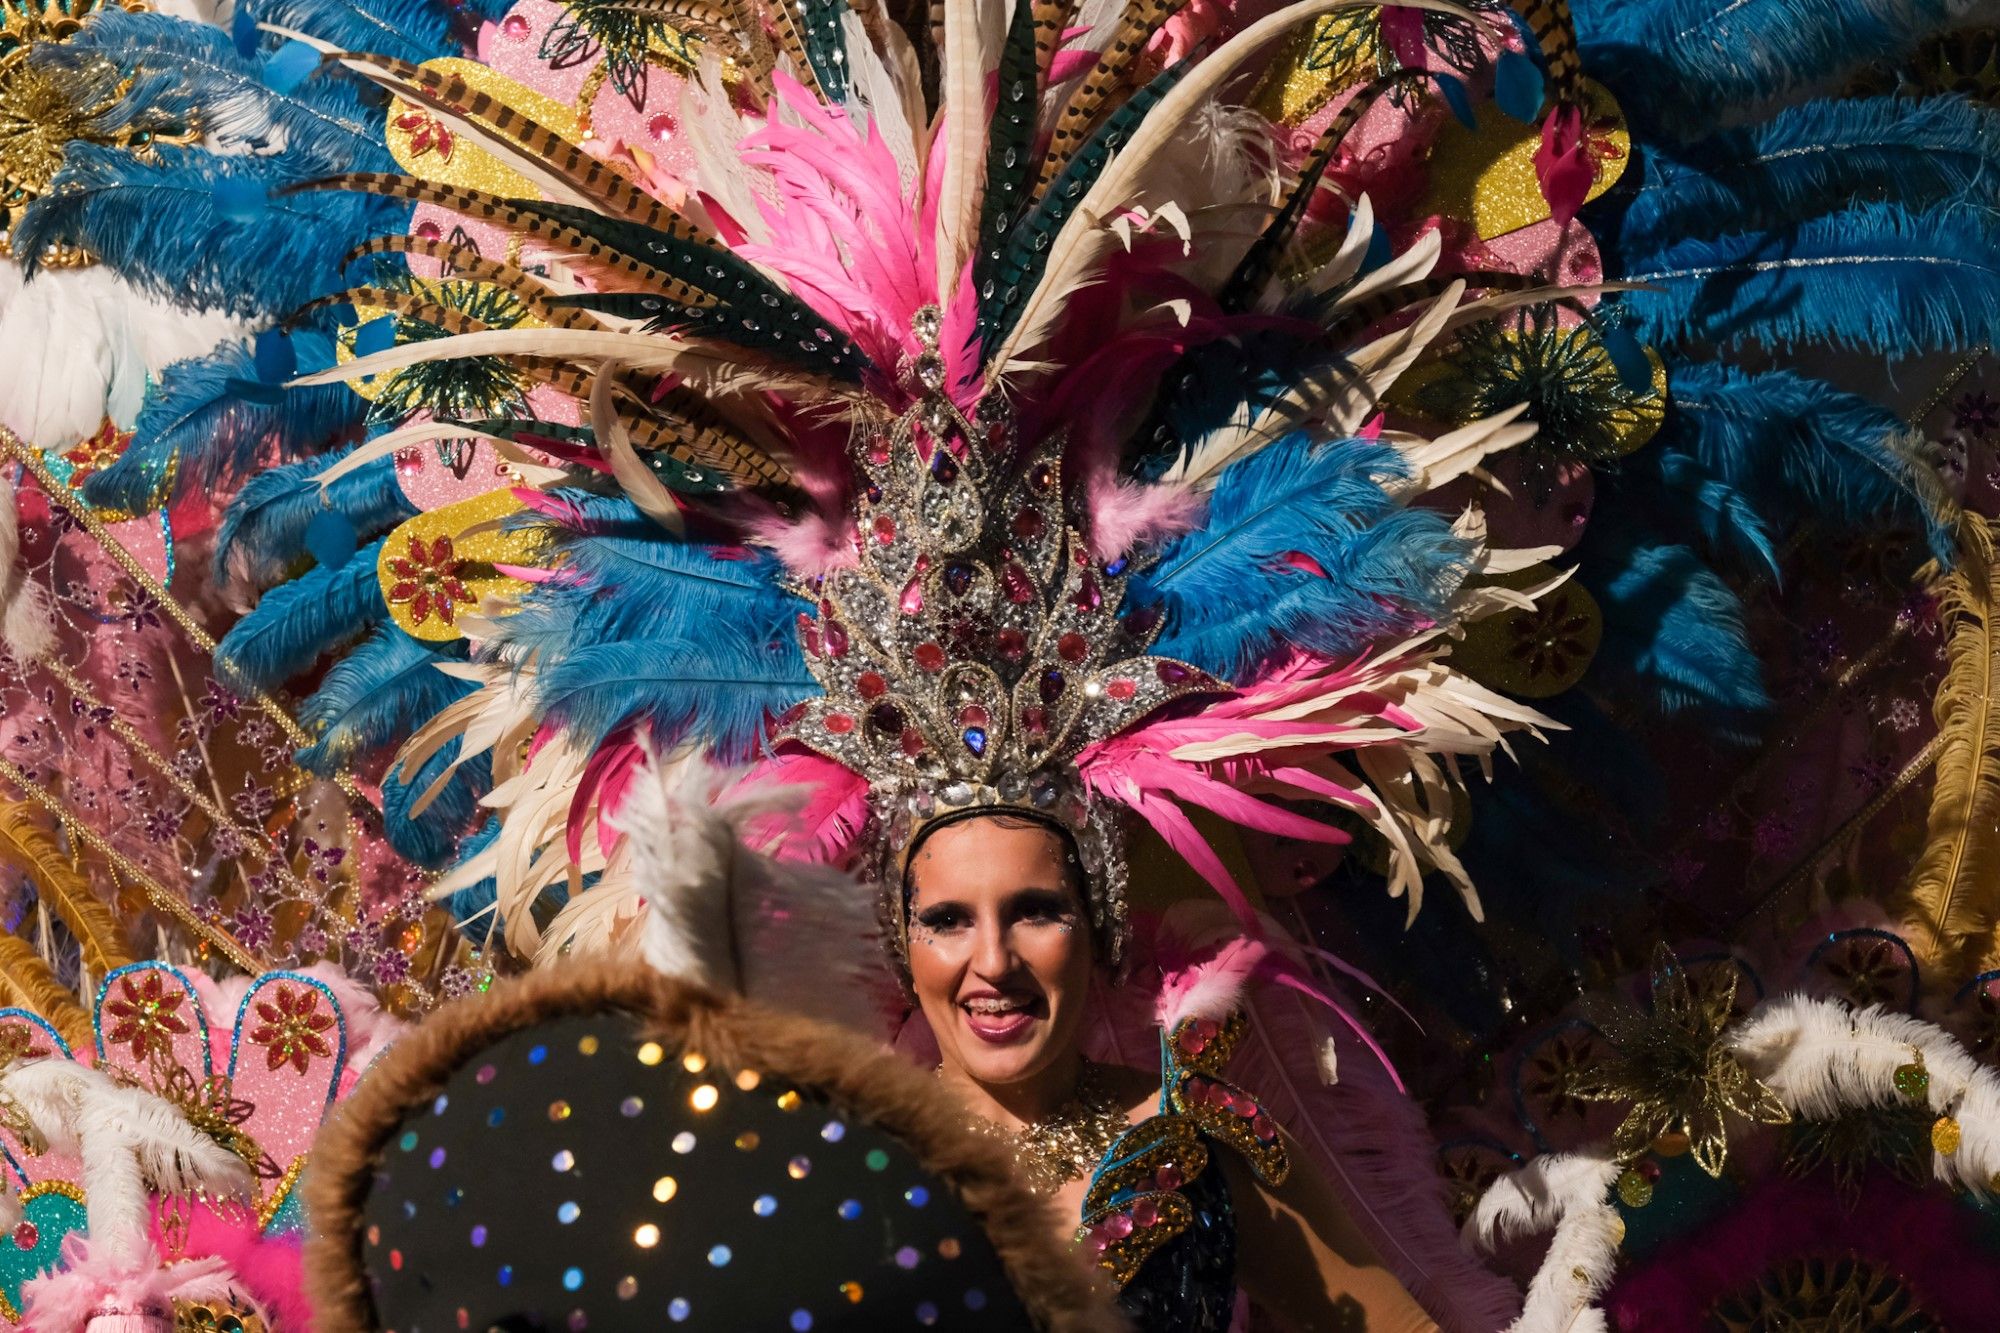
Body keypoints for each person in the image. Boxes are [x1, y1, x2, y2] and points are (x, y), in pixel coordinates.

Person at [903, 812, 1439, 1332]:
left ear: (1099, 930)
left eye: (1036, 911)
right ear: (902, 947)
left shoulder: (1195, 1135)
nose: (995, 963)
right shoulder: (855, 1171)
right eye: (947, 921)